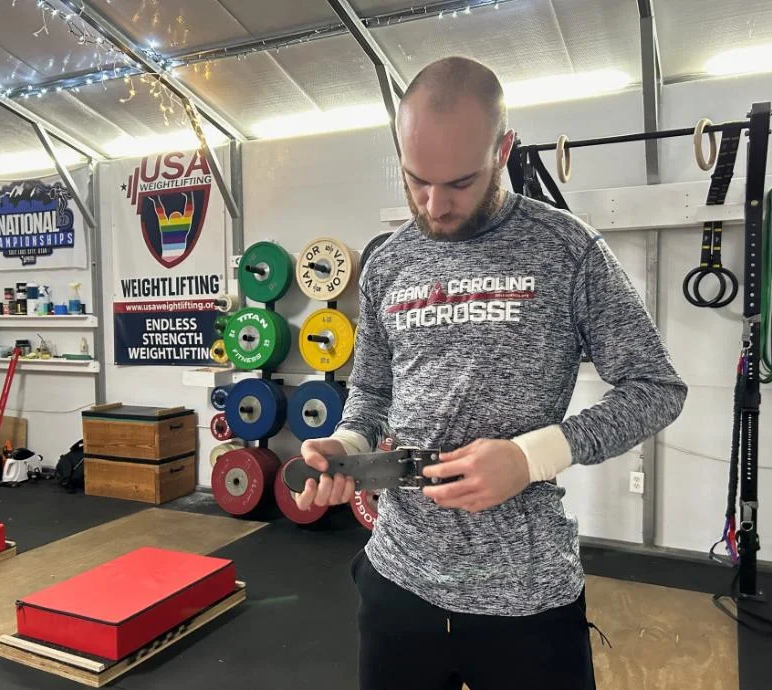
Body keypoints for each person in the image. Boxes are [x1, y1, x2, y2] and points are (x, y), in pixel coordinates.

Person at [294, 56, 688, 690]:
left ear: (504, 149)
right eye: (415, 180)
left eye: (459, 183)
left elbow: (657, 389)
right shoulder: (386, 265)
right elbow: (371, 390)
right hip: (398, 581)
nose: (434, 203)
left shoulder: (568, 249)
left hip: (527, 598)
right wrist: (349, 446)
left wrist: (532, 456)